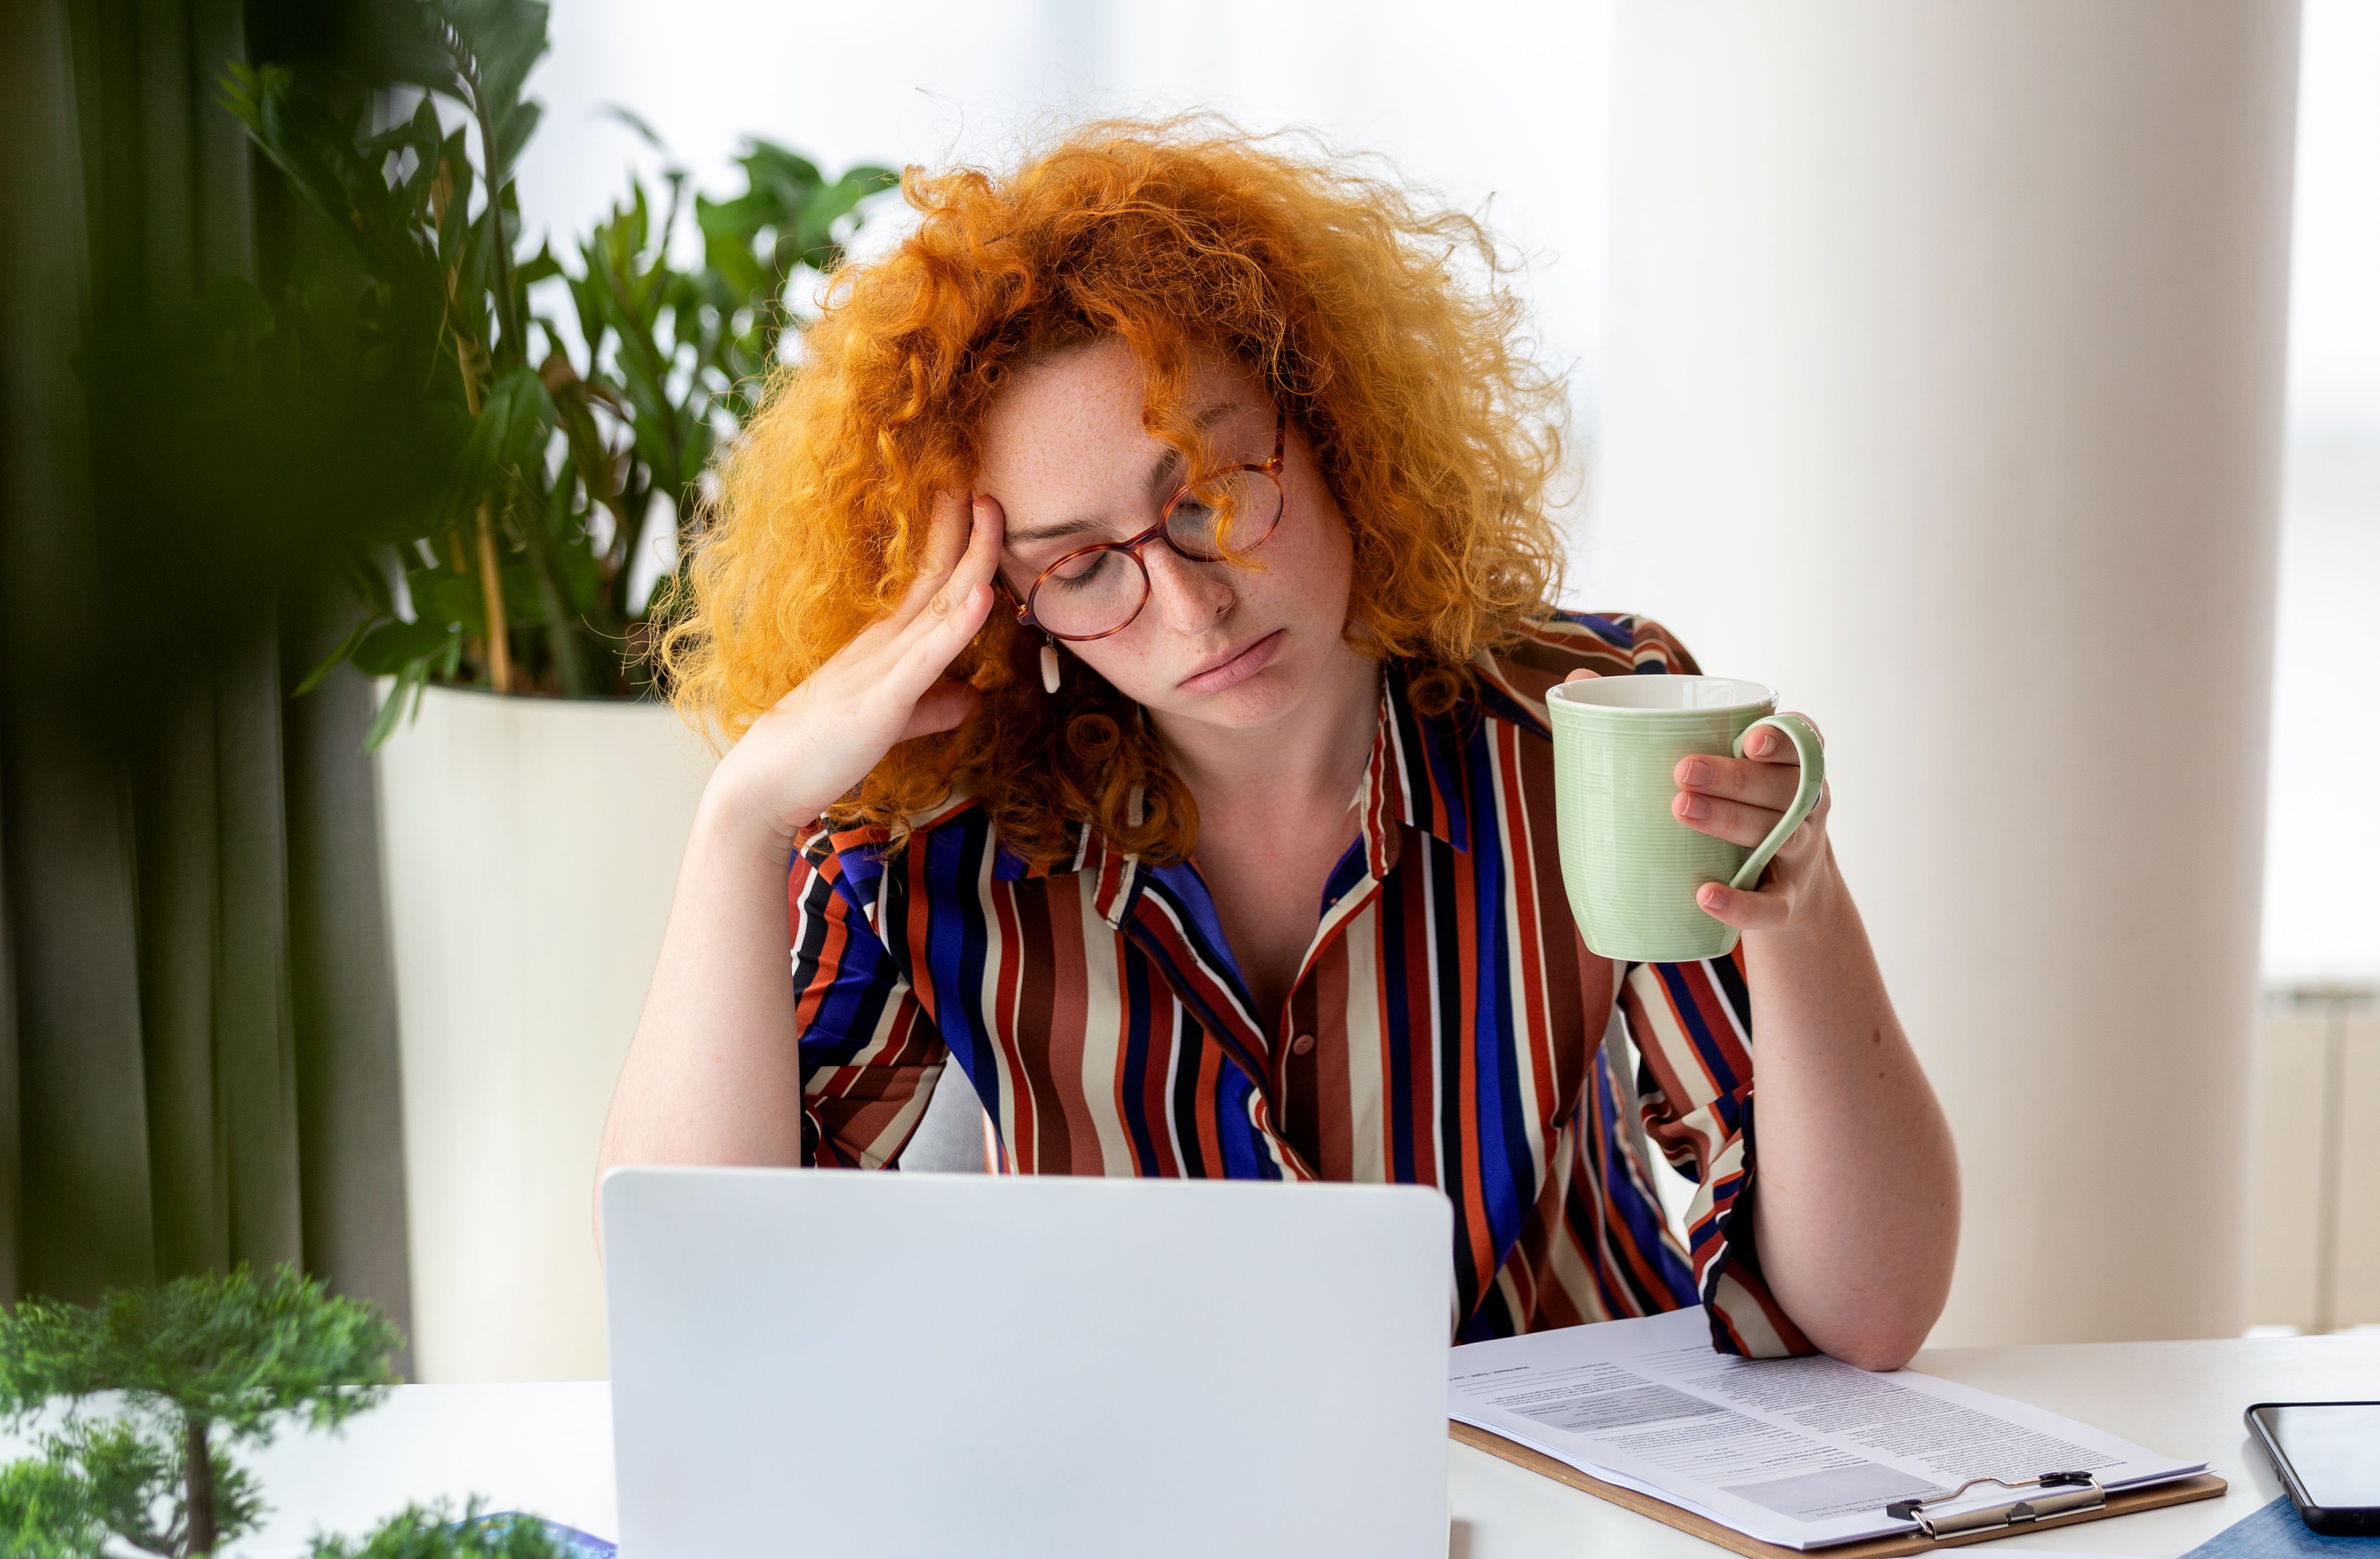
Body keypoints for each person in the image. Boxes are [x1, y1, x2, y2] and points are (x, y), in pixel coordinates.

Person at [601, 121, 1959, 1369]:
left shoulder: (1583, 722)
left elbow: (1867, 1312)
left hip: (1576, 1486)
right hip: (1141, 1509)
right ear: (1002, 605)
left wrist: (1803, 914)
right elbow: (702, 1298)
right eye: (1080, 566)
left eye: (1209, 494)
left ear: (1330, 426)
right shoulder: (932, 828)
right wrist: (742, 822)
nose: (1190, 606)